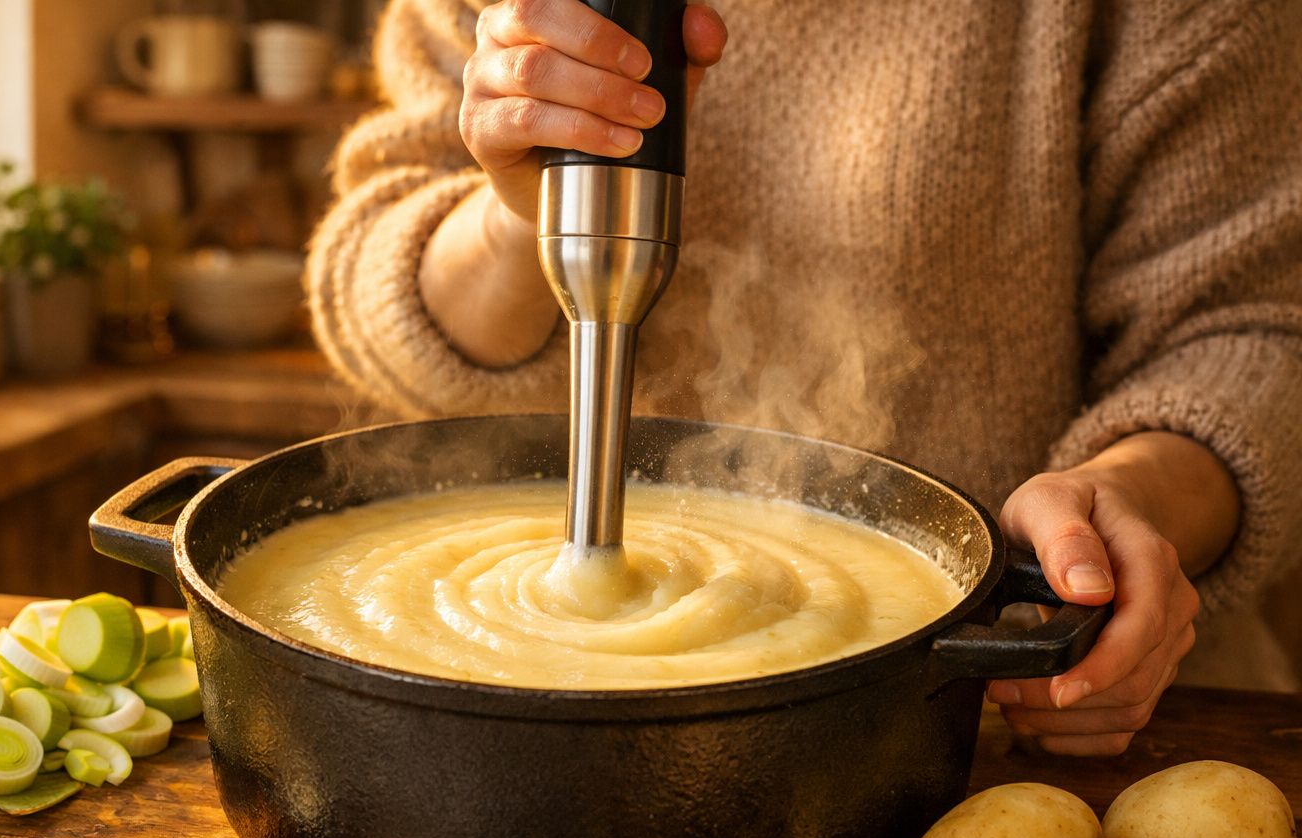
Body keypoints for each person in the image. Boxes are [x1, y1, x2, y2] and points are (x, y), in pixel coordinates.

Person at [306, 0, 1302, 755]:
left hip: (1018, 721)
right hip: (507, 747)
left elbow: (1255, 329)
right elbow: (374, 275)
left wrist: (1128, 500)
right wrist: (519, 218)